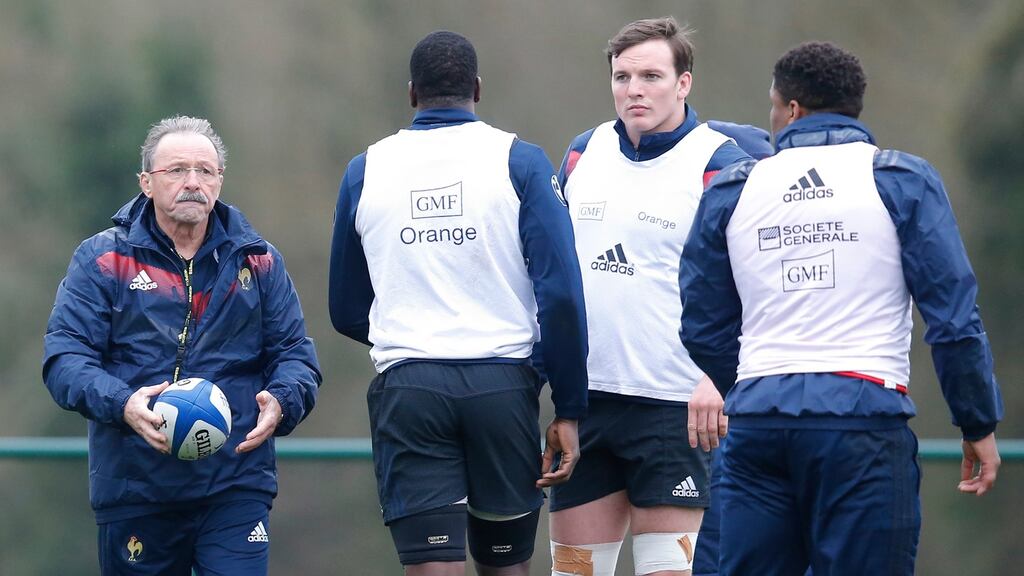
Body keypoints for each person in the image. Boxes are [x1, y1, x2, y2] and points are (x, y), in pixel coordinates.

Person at [678, 41, 1004, 575]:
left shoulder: (734, 188)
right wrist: (976, 421)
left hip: (759, 426)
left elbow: (699, 319)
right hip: (862, 423)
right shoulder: (901, 180)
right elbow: (952, 320)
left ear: (790, 109)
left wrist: (749, 384)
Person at [328, 30, 589, 576]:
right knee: (505, 565)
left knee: (431, 568)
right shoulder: (521, 161)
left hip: (410, 388)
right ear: (476, 87)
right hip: (501, 388)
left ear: (410, 94)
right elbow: (561, 294)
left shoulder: (364, 170)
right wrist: (567, 405)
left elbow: (346, 307)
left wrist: (409, 336)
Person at [42, 115, 322, 576]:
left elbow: (294, 354)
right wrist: (124, 402)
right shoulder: (102, 259)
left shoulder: (259, 260)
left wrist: (284, 399)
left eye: (205, 171)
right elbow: (64, 360)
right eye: (176, 171)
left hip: (235, 482)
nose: (192, 182)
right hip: (136, 486)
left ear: (219, 181)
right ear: (146, 183)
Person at [543, 17, 770, 576]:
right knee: (574, 572)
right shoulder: (582, 153)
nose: (634, 90)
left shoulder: (721, 162)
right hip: (589, 406)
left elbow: (762, 285)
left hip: (677, 410)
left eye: (650, 76)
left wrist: (721, 376)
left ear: (683, 83)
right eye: (622, 77)